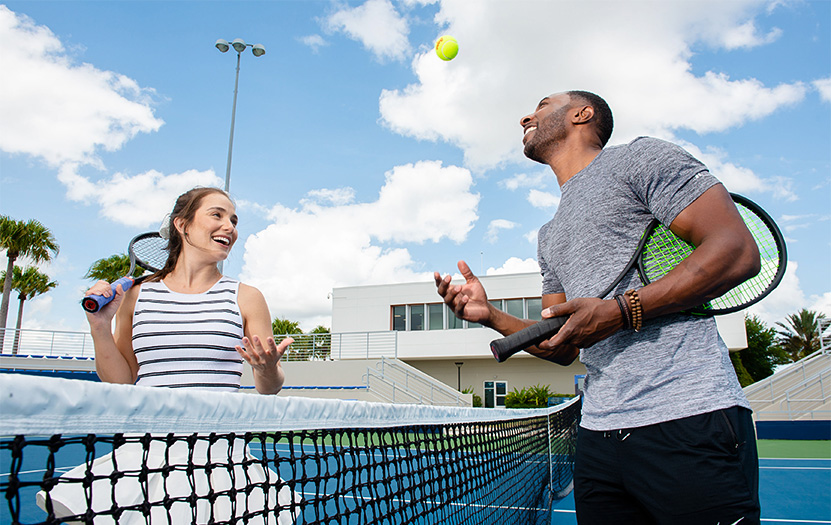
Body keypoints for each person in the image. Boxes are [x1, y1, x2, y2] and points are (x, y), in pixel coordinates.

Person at [435, 91, 762, 524]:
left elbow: (736, 250)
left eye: (542, 104)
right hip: (598, 437)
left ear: (581, 114)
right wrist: (490, 314)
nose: (524, 117)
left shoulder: (641, 159)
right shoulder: (548, 235)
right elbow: (562, 345)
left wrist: (621, 311)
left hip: (687, 416)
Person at [37, 187, 298, 524]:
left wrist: (266, 368)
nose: (230, 226)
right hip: (144, 452)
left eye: (233, 220)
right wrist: (99, 326)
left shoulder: (247, 297)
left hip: (218, 455)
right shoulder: (135, 294)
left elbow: (269, 387)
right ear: (182, 224)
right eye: (217, 215)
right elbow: (121, 380)